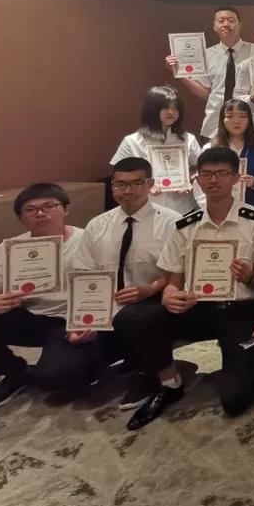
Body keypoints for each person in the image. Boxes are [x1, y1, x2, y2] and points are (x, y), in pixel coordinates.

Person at [115, 148, 254, 429]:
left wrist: (248, 275)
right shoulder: (185, 224)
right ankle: (170, 382)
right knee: (135, 317)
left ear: (236, 177)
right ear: (197, 179)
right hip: (198, 306)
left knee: (235, 400)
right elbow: (174, 278)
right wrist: (170, 295)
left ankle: (238, 363)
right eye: (207, 174)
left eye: (222, 173)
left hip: (240, 310)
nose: (213, 180)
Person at [0, 184, 92, 411]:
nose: (41, 213)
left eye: (49, 206)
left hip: (71, 321)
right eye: (31, 209)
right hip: (31, 317)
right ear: (21, 217)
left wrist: (91, 322)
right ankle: (14, 372)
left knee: (52, 378)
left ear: (66, 209)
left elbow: (108, 288)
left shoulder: (89, 241)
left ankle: (95, 362)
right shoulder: (9, 249)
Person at [71, 158, 179, 410]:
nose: (127, 191)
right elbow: (83, 274)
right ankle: (128, 357)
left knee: (136, 318)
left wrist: (149, 289)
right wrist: (83, 319)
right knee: (67, 373)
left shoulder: (172, 222)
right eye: (120, 184)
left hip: (152, 301)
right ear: (112, 185)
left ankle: (150, 373)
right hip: (107, 305)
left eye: (136, 184)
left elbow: (177, 272)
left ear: (150, 184)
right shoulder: (97, 225)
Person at [165, 6, 254, 139]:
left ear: (240, 25)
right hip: (214, 125)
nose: (226, 24)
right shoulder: (206, 56)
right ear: (214, 26)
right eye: (221, 21)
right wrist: (178, 73)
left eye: (231, 20)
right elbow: (206, 93)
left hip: (250, 124)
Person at [112, 85, 201, 215]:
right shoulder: (132, 141)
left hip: (183, 208)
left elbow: (200, 168)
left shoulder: (188, 139)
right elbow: (118, 174)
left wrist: (188, 181)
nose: (171, 112)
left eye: (175, 108)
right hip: (145, 208)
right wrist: (144, 185)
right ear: (152, 109)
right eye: (166, 108)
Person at [196, 99, 254, 213]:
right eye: (230, 116)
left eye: (242, 116)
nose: (236, 121)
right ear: (222, 120)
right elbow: (200, 182)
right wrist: (209, 207)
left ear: (249, 119)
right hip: (219, 211)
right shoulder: (210, 149)